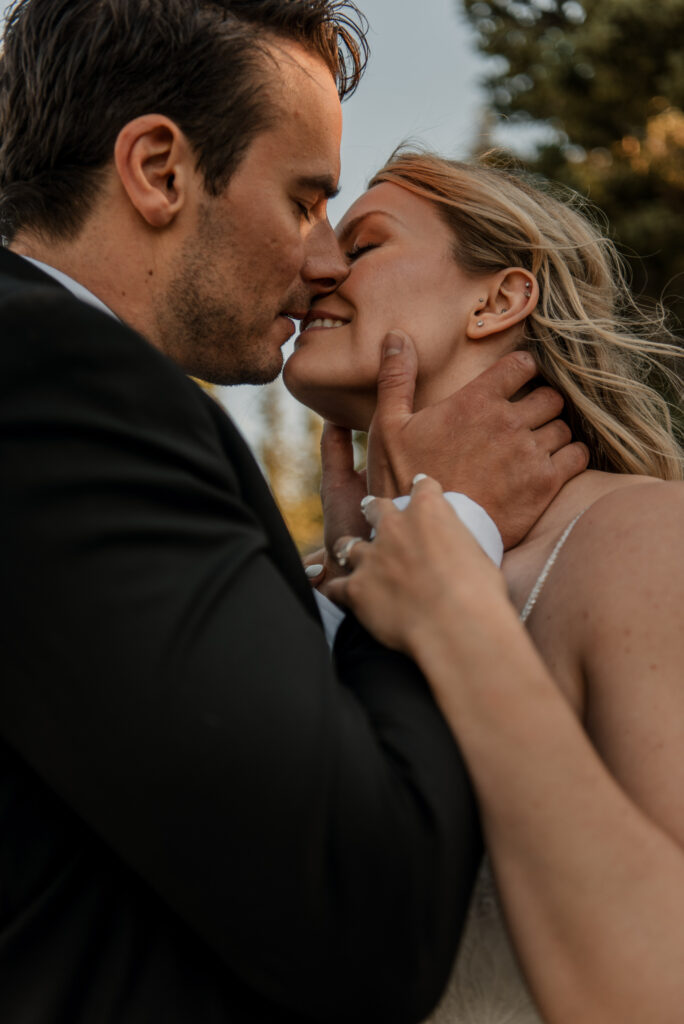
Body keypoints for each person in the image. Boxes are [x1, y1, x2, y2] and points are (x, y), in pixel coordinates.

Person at [0, 4, 589, 1022]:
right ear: (159, 170)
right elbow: (365, 923)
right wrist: (435, 530)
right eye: (307, 200)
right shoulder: (61, 386)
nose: (324, 263)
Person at [284, 150, 684, 1023]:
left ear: (497, 298)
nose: (314, 268)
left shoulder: (647, 541)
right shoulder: (314, 583)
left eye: (365, 242)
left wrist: (445, 597)